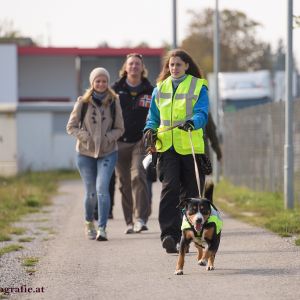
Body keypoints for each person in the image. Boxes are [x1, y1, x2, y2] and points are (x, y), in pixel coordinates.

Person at [144, 49, 209, 253]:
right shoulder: (159, 88)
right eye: (171, 65)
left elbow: (202, 112)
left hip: (190, 146)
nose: (174, 68)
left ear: (186, 66)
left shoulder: (198, 86)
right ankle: (169, 235)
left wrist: (193, 122)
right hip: (167, 148)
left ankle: (188, 237)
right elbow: (153, 117)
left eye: (178, 64)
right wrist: (149, 129)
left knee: (191, 194)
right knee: (169, 188)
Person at [66, 67, 124, 241]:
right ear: (92, 83)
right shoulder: (82, 103)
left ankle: (103, 228)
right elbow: (71, 126)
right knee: (91, 192)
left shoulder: (114, 101)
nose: (101, 84)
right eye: (97, 81)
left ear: (108, 83)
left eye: (104, 81)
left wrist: (108, 137)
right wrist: (85, 137)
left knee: (102, 190)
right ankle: (88, 222)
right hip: (85, 154)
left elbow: (120, 128)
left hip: (108, 152)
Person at [112, 53, 153, 234]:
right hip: (119, 141)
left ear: (142, 68)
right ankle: (129, 221)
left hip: (140, 141)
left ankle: (141, 219)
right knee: (124, 182)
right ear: (125, 67)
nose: (134, 66)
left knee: (138, 176)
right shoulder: (115, 89)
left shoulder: (150, 90)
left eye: (137, 64)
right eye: (131, 64)